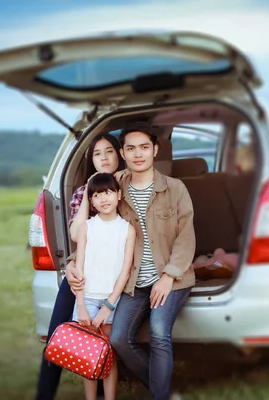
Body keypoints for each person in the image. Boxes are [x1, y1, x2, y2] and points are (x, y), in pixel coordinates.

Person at [70, 125, 196, 400]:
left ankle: (161, 395)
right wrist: (71, 262)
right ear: (123, 153)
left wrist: (168, 277)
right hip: (132, 282)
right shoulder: (114, 187)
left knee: (159, 333)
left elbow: (186, 240)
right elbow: (96, 231)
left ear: (155, 150)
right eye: (130, 148)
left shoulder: (175, 189)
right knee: (118, 340)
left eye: (143, 147)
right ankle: (162, 387)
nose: (137, 154)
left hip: (171, 278)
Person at [34, 133, 125, 400]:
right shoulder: (81, 194)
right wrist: (87, 193)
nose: (105, 157)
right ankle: (44, 394)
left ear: (119, 154)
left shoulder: (127, 186)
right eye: (97, 154)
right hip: (86, 271)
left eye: (109, 151)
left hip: (117, 275)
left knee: (106, 339)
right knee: (57, 332)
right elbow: (76, 234)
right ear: (92, 160)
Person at [72, 173, 136, 400]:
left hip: (112, 301)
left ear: (118, 194)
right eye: (96, 195)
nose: (103, 199)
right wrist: (80, 305)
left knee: (107, 356)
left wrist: (108, 306)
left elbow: (125, 273)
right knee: (87, 357)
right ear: (91, 201)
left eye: (108, 192)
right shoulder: (86, 228)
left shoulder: (127, 229)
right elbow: (78, 269)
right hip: (87, 298)